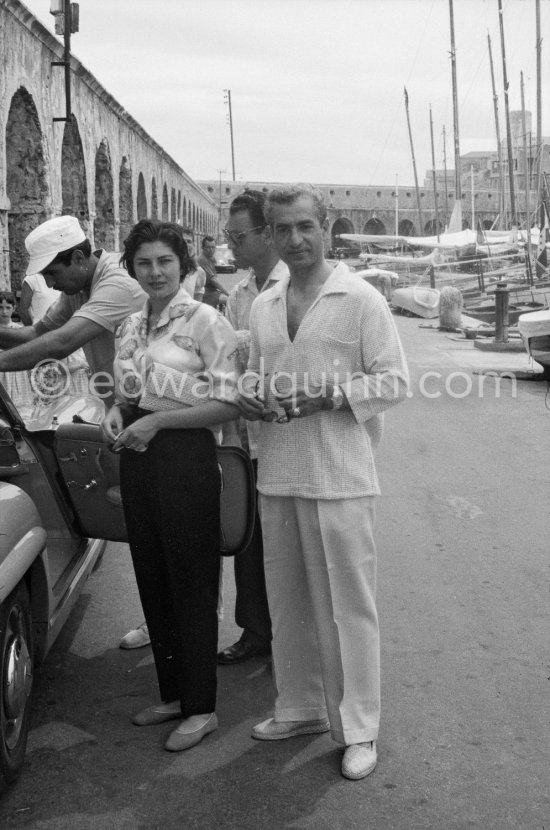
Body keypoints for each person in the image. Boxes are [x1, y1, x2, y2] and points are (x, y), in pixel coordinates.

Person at [237, 185, 409, 780]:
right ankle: (301, 706)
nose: (295, 240)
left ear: (326, 226)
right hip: (278, 471)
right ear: (270, 234)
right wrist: (251, 396)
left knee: (347, 606)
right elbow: (256, 374)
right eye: (282, 229)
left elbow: (394, 381)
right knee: (287, 602)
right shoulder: (264, 304)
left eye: (306, 226)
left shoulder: (360, 298)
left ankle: (360, 726)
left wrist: (333, 395)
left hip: (341, 475)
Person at [101, 219, 239, 752]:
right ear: (132, 269)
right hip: (137, 455)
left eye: (164, 261)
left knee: (192, 579)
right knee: (152, 574)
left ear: (182, 264)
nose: (155, 272)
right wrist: (117, 410)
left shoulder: (207, 321)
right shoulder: (131, 327)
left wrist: (156, 421)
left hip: (186, 458)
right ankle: (173, 692)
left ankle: (201, 707)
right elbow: (128, 390)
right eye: (143, 263)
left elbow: (227, 402)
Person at [217, 188, 288, 664]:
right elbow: (223, 360)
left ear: (266, 234)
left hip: (285, 439)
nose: (231, 244)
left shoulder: (292, 287)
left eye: (238, 235)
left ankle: (289, 642)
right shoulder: (239, 294)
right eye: (229, 235)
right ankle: (256, 631)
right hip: (244, 439)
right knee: (247, 540)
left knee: (285, 548)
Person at [0, 215, 145, 408]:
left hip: (147, 406)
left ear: (78, 258)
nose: (50, 284)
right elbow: (37, 334)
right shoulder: (78, 287)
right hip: (117, 406)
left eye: (52, 273)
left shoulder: (118, 283)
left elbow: (61, 343)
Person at [197, 235, 229, 309]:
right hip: (205, 292)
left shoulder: (211, 258)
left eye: (213, 247)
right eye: (208, 247)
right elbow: (213, 280)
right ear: (203, 248)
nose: (211, 250)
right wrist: (227, 293)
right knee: (229, 300)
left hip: (212, 291)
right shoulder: (202, 259)